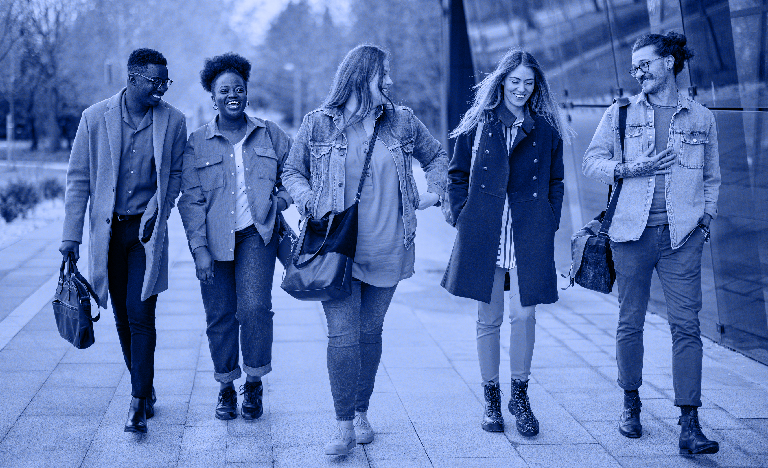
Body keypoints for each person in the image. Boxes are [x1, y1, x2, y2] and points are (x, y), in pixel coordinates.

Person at [282, 44, 448, 456]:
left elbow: (438, 157)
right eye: (382, 74)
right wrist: (308, 201)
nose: (389, 82)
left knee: (369, 332)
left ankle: (360, 411)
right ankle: (342, 426)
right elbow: (292, 171)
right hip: (337, 249)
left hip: (390, 246)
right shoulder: (318, 124)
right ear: (361, 76)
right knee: (343, 335)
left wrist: (435, 193)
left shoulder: (402, 121)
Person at [583, 32, 721, 454]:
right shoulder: (620, 113)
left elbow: (712, 177)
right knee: (630, 323)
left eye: (645, 63)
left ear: (670, 63)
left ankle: (689, 424)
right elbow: (592, 162)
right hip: (630, 234)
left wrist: (705, 220)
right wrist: (632, 167)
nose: (637, 71)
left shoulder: (701, 118)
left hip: (682, 238)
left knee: (687, 327)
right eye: (634, 65)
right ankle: (630, 403)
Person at [442, 49, 568, 437]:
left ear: (536, 87)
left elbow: (556, 181)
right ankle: (492, 399)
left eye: (529, 83)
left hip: (528, 232)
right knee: (488, 318)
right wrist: (463, 213)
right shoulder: (478, 124)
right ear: (501, 82)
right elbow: (456, 173)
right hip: (487, 232)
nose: (521, 89)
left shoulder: (545, 129)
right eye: (514, 81)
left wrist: (549, 218)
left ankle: (520, 395)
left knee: (525, 315)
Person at [59, 48, 186, 434]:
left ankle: (135, 402)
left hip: (145, 234)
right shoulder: (94, 118)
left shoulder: (173, 121)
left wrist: (158, 209)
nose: (161, 89)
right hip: (108, 233)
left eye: (165, 81)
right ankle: (144, 388)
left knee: (140, 311)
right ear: (132, 80)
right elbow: (79, 180)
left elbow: (176, 175)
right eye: (154, 82)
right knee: (121, 315)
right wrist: (71, 237)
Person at [177, 53, 292, 421]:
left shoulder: (269, 133)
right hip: (214, 241)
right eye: (223, 89)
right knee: (220, 314)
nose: (232, 95)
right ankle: (226, 386)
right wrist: (199, 250)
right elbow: (191, 200)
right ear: (212, 95)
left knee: (255, 307)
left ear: (246, 92)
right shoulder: (197, 143)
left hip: (257, 234)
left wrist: (283, 200)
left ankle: (254, 382)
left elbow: (294, 173)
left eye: (238, 89)